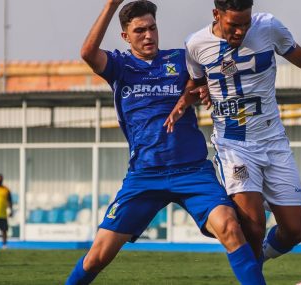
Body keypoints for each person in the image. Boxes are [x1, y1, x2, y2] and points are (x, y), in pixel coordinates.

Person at [165, 0, 301, 263]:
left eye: (245, 24)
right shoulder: (196, 44)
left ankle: (256, 264)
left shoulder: (267, 27)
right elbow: (195, 84)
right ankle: (253, 276)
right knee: (254, 226)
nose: (240, 31)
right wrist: (190, 98)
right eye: (233, 25)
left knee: (295, 231)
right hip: (234, 144)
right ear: (216, 15)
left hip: (273, 140)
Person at [66, 1, 265, 284]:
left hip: (193, 172)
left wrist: (205, 89)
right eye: (139, 31)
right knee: (98, 256)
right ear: (125, 36)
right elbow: (87, 53)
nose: (148, 35)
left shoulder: (180, 59)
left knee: (230, 227)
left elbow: (209, 78)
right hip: (144, 176)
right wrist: (112, 5)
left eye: (152, 28)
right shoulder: (120, 66)